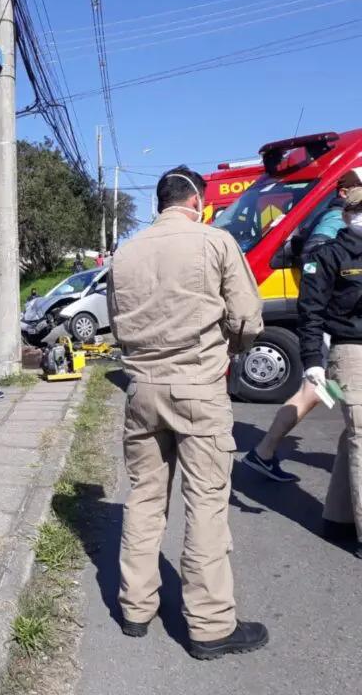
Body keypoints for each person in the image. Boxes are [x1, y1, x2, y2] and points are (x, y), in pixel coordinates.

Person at [108, 165, 267, 659]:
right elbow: (246, 319)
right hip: (198, 386)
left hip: (142, 391)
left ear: (161, 201)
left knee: (144, 499)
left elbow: (116, 322)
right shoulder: (215, 242)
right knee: (206, 502)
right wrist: (231, 350)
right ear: (195, 199)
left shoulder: (124, 253)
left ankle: (135, 608)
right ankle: (210, 625)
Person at [243, 170, 362, 483]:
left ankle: (264, 451)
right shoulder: (336, 220)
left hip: (329, 324)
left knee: (322, 395)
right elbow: (318, 262)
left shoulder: (335, 217)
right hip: (333, 327)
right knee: (317, 392)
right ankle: (264, 451)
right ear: (348, 193)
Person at [297, 185, 362, 559]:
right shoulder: (328, 256)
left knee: (352, 437)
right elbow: (310, 313)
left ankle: (338, 518)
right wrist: (313, 362)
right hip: (349, 353)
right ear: (348, 213)